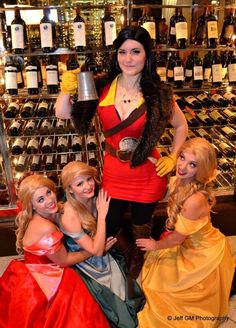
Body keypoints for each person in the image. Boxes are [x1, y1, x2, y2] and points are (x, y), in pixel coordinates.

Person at [55, 25, 188, 278]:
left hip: (148, 173)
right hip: (115, 171)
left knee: (141, 225)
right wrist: (66, 88)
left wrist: (173, 156)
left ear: (147, 55)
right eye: (122, 52)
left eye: (135, 52)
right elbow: (62, 113)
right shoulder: (101, 86)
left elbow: (181, 125)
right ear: (115, 55)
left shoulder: (158, 93)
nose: (128, 59)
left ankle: (137, 262)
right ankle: (125, 254)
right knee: (110, 222)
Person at [136, 137, 235, 328]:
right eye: (181, 157)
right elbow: (168, 187)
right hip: (192, 243)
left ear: (202, 169)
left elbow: (177, 239)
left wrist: (155, 244)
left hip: (202, 251)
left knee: (171, 295)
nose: (182, 166)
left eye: (192, 164)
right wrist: (154, 165)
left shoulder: (194, 200)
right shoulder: (180, 180)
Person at [0, 175, 110, 328]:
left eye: (48, 193)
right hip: (46, 273)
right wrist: (92, 250)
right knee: (81, 307)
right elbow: (63, 261)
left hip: (32, 266)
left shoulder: (45, 212)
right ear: (32, 206)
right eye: (40, 200)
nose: (49, 200)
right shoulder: (45, 227)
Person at [59, 161, 145, 328]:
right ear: (69, 189)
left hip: (100, 249)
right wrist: (103, 215)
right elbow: (97, 251)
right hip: (85, 262)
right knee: (109, 305)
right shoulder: (69, 215)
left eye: (89, 179)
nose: (87, 186)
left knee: (123, 284)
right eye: (79, 183)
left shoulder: (95, 193)